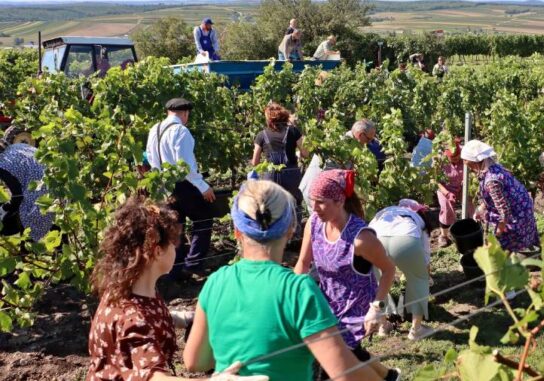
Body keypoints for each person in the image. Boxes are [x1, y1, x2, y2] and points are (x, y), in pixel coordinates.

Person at [183, 180, 381, 381]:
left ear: (237, 231)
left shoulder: (216, 282)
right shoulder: (298, 290)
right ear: (290, 228)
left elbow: (194, 362)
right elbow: (344, 372)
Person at [86, 196, 260, 381]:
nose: (176, 250)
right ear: (157, 251)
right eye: (173, 244)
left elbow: (147, 317)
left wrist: (182, 317)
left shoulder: (129, 290)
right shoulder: (132, 318)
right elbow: (154, 377)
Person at [294, 170, 401, 381]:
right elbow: (303, 263)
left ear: (340, 200)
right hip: (326, 303)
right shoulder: (314, 224)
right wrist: (291, 296)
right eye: (312, 201)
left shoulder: (361, 239)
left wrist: (376, 308)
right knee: (351, 354)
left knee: (333, 362)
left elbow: (388, 269)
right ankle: (389, 376)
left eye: (321, 202)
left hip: (355, 308)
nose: (314, 208)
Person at [146, 98, 215, 279]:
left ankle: (173, 271)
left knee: (175, 226)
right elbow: (186, 166)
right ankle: (193, 263)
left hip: (163, 185)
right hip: (182, 184)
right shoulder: (181, 132)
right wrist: (203, 186)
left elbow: (152, 159)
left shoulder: (155, 129)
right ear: (184, 113)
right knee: (203, 218)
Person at [369, 199, 435, 341]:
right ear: (417, 210)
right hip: (406, 239)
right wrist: (425, 276)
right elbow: (425, 258)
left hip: (375, 238)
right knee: (418, 280)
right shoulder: (416, 219)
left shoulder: (386, 211)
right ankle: (416, 330)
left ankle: (383, 326)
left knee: (379, 282)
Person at [461, 140, 539, 253]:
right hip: (522, 206)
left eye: (467, 162)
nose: (466, 165)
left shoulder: (491, 181)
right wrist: (481, 208)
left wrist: (499, 230)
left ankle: (519, 261)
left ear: (475, 161)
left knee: (505, 247)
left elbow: (504, 212)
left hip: (516, 215)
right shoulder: (493, 167)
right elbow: (495, 197)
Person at [252, 102, 308, 236]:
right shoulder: (294, 131)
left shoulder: (261, 135)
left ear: (268, 119)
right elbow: (305, 153)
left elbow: (255, 161)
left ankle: (274, 236)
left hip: (270, 176)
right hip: (291, 175)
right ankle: (294, 236)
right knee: (295, 204)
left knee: (271, 206)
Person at [0, 129, 53, 241]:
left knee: (26, 214)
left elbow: (17, 196)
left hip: (41, 188)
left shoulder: (3, 166)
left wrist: (5, 208)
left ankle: (29, 248)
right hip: (53, 178)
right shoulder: (15, 148)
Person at [436, 137, 474, 247]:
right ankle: (443, 236)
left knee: (470, 205)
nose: (456, 159)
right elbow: (435, 181)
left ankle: (471, 229)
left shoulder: (465, 156)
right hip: (445, 188)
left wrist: (466, 184)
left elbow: (472, 172)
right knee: (447, 208)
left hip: (462, 186)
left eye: (458, 157)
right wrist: (447, 193)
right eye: (453, 158)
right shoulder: (439, 160)